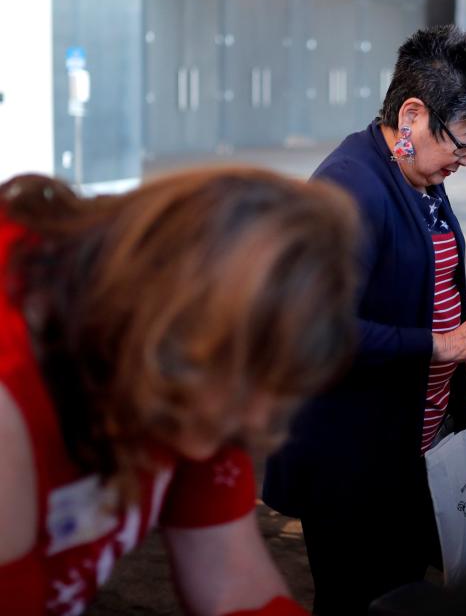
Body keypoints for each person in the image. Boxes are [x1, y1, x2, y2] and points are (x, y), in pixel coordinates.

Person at [0, 168, 358, 615]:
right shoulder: (11, 393)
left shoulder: (192, 374)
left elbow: (233, 585)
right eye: (230, 407)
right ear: (168, 331)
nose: (236, 432)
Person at [262, 25, 466, 613]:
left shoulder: (417, 173)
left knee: (403, 589)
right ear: (412, 114)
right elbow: (314, 330)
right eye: (462, 144)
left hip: (408, 436)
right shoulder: (349, 189)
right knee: (361, 595)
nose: (465, 160)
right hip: (351, 455)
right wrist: (440, 345)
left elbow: (415, 271)